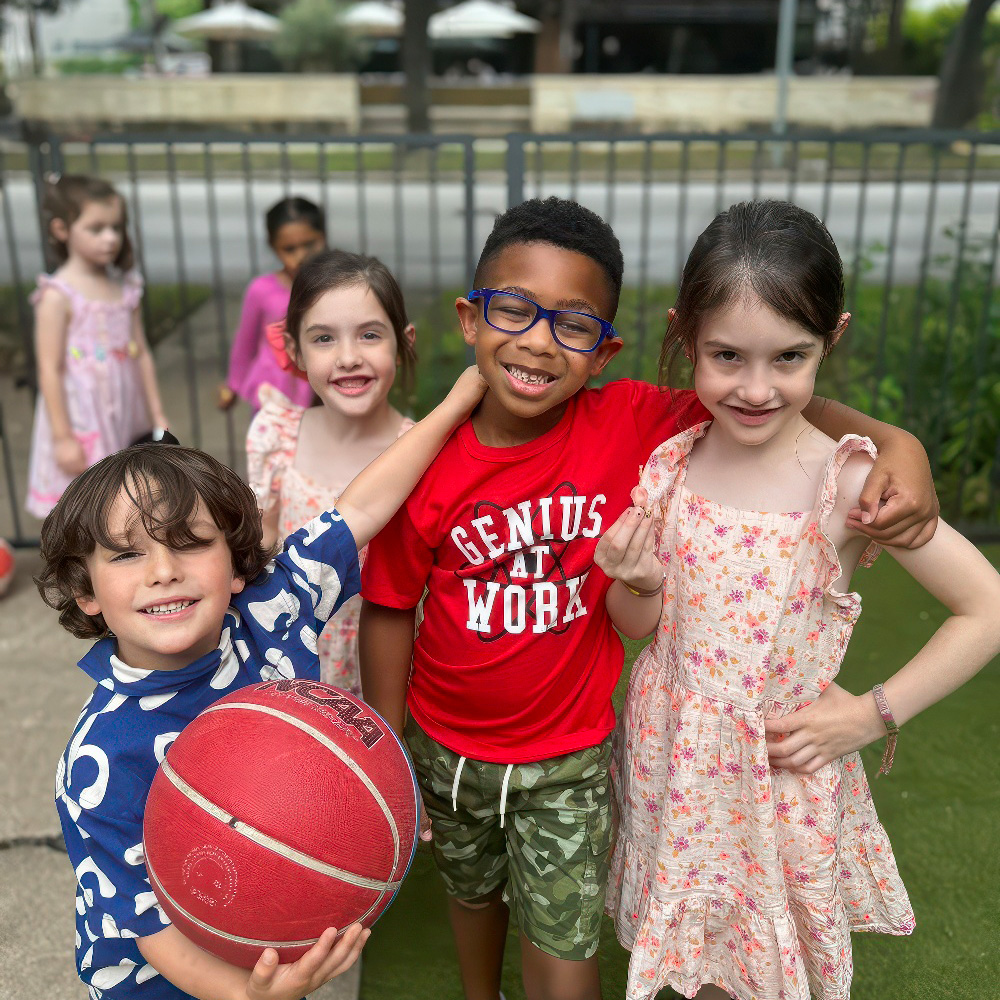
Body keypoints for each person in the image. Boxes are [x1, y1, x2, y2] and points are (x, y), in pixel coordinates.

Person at [358, 196, 940, 1000]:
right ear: (470, 317)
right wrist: (386, 741)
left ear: (605, 353)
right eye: (515, 310)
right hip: (444, 746)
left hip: (568, 753)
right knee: (471, 892)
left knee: (562, 942)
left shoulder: (634, 420)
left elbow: (764, 397)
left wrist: (899, 445)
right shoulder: (426, 462)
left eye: (573, 325)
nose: (537, 340)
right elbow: (388, 601)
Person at [599, 200, 1000, 1000]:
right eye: (726, 357)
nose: (755, 388)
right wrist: (636, 584)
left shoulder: (849, 479)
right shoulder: (671, 463)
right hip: (673, 756)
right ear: (684, 335)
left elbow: (987, 606)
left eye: (789, 357)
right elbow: (640, 629)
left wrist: (871, 714)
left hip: (775, 773)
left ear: (832, 339)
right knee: (695, 965)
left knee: (767, 971)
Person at [39, 363, 486, 1000]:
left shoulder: (272, 615)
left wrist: (461, 399)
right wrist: (252, 997)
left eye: (191, 542)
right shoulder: (103, 755)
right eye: (128, 553)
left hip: (269, 931)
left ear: (239, 564)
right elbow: (145, 928)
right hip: (159, 983)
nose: (164, 571)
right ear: (86, 592)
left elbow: (360, 506)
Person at [246, 249, 418, 695]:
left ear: (404, 342)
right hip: (290, 669)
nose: (347, 357)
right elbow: (260, 549)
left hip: (390, 675)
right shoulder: (275, 437)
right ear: (293, 350)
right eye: (323, 338)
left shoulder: (419, 453)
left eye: (369, 335)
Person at [26, 175, 168, 518]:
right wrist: (62, 437)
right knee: (87, 505)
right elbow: (49, 368)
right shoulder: (57, 296)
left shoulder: (126, 288)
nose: (110, 238)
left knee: (125, 499)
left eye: (116, 227)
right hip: (82, 416)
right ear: (62, 230)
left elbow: (142, 353)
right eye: (97, 228)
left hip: (124, 412)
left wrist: (157, 414)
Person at [219, 196, 326, 411]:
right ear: (273, 246)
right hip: (272, 394)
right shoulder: (261, 290)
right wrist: (233, 385)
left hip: (321, 390)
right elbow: (245, 343)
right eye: (289, 249)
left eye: (309, 244)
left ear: (323, 236)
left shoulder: (336, 287)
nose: (301, 255)